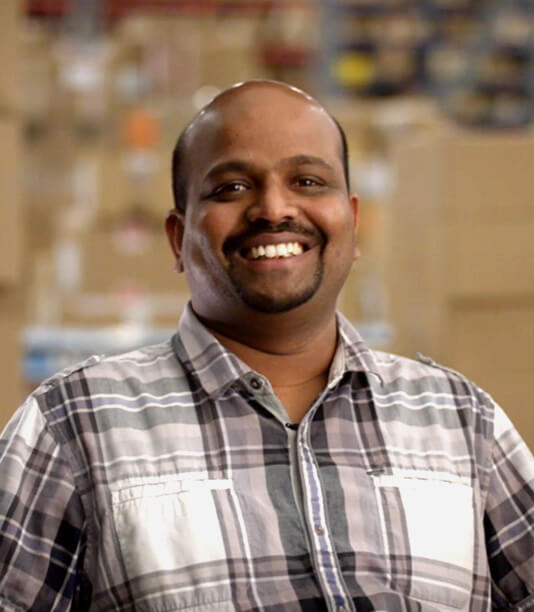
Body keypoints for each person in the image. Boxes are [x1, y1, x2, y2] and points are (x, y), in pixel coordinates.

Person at [0, 80, 532, 612]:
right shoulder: (74, 423)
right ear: (176, 238)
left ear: (354, 221)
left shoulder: (462, 420)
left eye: (307, 180)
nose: (273, 209)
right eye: (231, 188)